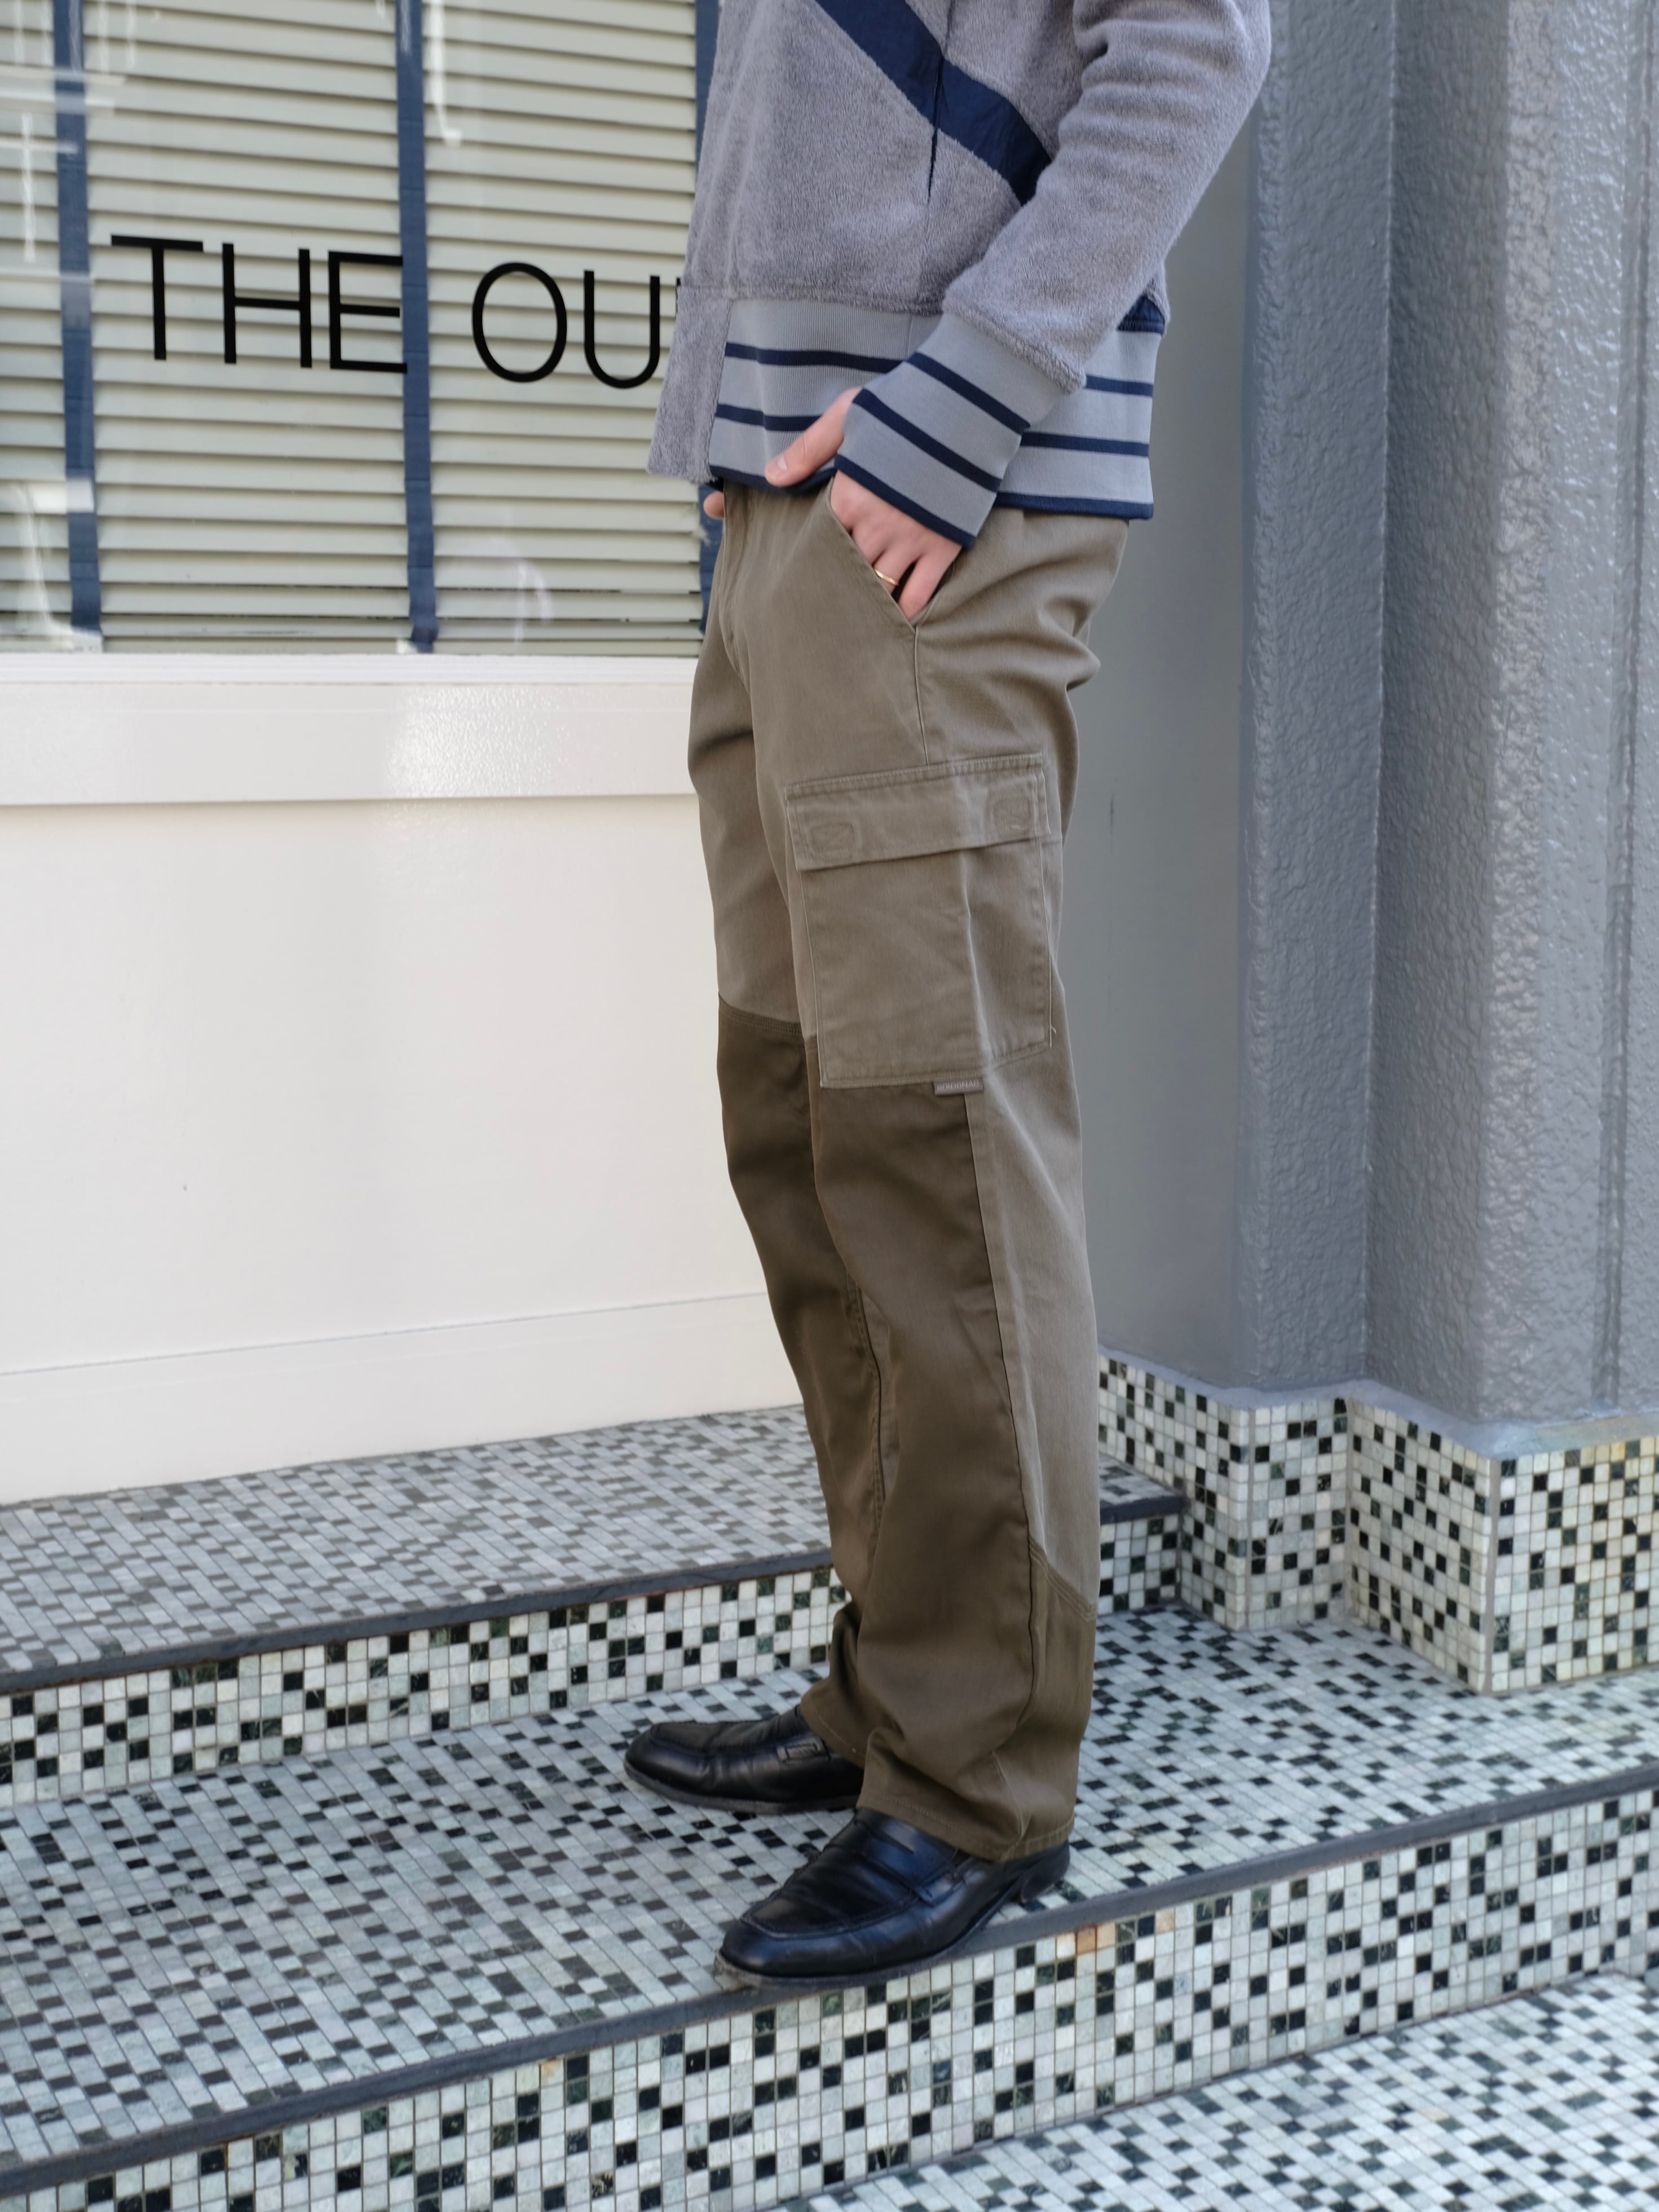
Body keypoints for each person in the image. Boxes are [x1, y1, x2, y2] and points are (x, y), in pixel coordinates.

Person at [626, 0, 1270, 1991]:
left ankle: (975, 1771)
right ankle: (898, 1681)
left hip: (936, 503)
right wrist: (726, 431)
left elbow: (1197, 45)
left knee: (934, 1139)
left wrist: (957, 402)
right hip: (794, 492)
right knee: (804, 1125)